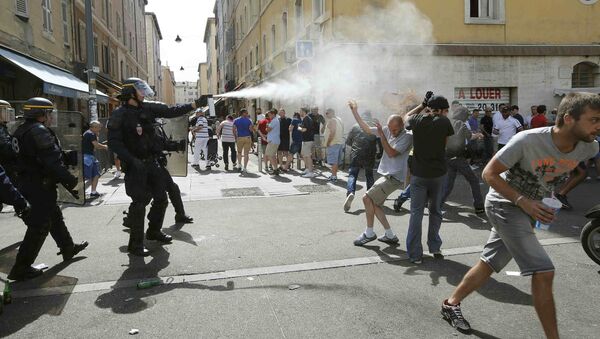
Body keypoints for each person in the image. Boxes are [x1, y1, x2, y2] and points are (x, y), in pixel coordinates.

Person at [440, 92, 600, 338]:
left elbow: (567, 171)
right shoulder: (527, 140)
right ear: (569, 119)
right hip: (503, 204)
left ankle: (451, 304)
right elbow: (489, 174)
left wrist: (550, 198)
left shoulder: (589, 147)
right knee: (543, 271)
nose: (598, 125)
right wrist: (523, 201)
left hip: (529, 209)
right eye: (594, 119)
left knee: (489, 263)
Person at [108, 78, 202, 256]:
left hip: (153, 162)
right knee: (139, 204)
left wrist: (194, 104)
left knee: (161, 199)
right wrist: (131, 160)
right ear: (131, 93)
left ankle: (153, 231)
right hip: (136, 166)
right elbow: (114, 143)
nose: (143, 93)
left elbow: (171, 111)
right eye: (140, 90)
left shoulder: (147, 108)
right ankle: (135, 245)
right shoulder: (119, 114)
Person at [9, 97, 88, 280]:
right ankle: (22, 267)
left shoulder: (20, 129)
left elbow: (33, 156)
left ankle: (68, 247)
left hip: (28, 182)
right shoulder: (38, 130)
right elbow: (51, 161)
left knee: (54, 216)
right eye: (49, 112)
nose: (51, 116)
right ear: (41, 114)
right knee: (39, 226)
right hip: (39, 185)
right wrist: (71, 180)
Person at [349, 100, 413, 246]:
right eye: (389, 129)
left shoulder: (408, 137)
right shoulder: (387, 129)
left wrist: (382, 135)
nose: (391, 132)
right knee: (375, 205)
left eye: (395, 129)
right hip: (387, 175)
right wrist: (355, 111)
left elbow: (391, 153)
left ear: (402, 126)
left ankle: (369, 233)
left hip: (394, 177)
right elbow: (366, 128)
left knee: (366, 199)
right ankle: (390, 234)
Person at [404, 92, 454, 264]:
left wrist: (422, 104)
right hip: (438, 174)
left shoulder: (417, 121)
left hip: (418, 174)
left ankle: (414, 254)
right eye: (446, 110)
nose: (447, 113)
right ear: (441, 110)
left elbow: (407, 116)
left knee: (416, 214)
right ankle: (434, 246)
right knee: (436, 211)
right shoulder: (444, 122)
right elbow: (445, 145)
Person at [441, 107, 485, 214]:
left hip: (447, 158)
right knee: (474, 180)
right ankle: (479, 206)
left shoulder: (447, 122)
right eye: (467, 115)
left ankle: (436, 202)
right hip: (458, 158)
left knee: (448, 184)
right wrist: (478, 135)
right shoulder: (461, 124)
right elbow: (470, 136)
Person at [344, 111, 378, 212]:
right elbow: (380, 141)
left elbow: (348, 142)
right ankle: (370, 196)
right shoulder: (374, 126)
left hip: (356, 154)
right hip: (370, 154)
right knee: (369, 175)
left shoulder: (355, 126)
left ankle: (350, 192)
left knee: (352, 174)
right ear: (370, 117)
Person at [83, 121, 108, 197]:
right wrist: (105, 147)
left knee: (95, 174)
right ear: (93, 127)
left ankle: (93, 192)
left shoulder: (88, 133)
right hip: (88, 157)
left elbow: (94, 147)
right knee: (88, 176)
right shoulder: (91, 134)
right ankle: (89, 192)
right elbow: (96, 146)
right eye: (98, 127)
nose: (99, 129)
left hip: (89, 157)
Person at [323, 108, 344, 182]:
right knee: (336, 161)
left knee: (334, 161)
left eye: (327, 113)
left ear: (331, 113)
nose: (326, 115)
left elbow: (332, 132)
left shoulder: (332, 120)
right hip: (339, 142)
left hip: (333, 143)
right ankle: (333, 175)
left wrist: (328, 142)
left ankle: (334, 176)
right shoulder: (339, 120)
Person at [233, 108, 254, 173]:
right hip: (247, 137)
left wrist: (235, 137)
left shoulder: (236, 120)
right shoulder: (249, 120)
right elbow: (251, 130)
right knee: (246, 154)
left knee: (239, 152)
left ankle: (239, 165)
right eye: (246, 113)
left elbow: (233, 130)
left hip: (240, 138)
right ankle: (245, 168)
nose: (247, 114)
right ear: (243, 113)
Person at [298, 108, 317, 178]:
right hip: (306, 140)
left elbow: (304, 129)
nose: (299, 113)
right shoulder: (306, 118)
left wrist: (299, 128)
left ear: (303, 112)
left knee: (308, 156)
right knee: (304, 155)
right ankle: (307, 169)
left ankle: (311, 172)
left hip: (308, 140)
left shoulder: (306, 119)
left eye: (300, 111)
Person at [265, 109, 280, 175]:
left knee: (270, 155)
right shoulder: (275, 120)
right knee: (272, 156)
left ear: (273, 114)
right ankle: (275, 169)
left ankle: (275, 169)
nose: (269, 116)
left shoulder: (274, 121)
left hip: (273, 141)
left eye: (270, 115)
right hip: (274, 140)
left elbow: (268, 130)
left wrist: (267, 127)